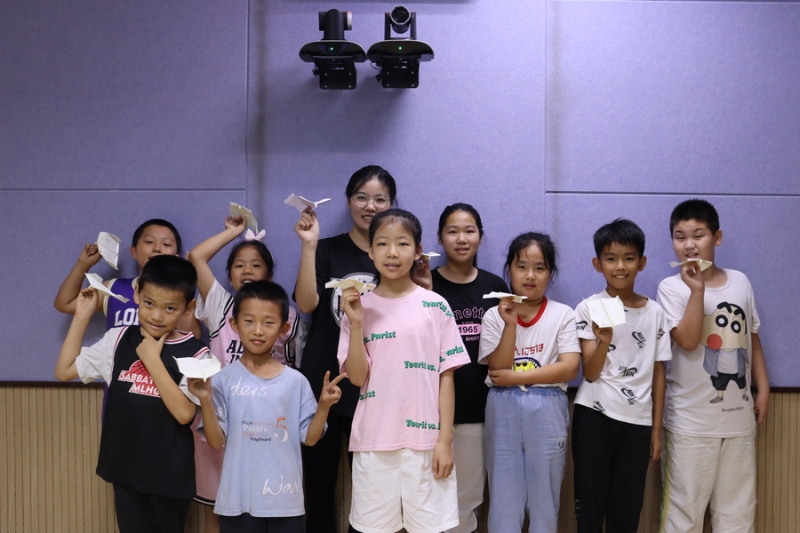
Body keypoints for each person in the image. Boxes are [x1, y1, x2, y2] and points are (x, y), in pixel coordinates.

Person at [54, 255, 211, 533]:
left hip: (168, 478)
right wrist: (82, 316)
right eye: (149, 303)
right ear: (137, 293)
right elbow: (64, 370)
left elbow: (185, 414)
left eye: (170, 308)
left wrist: (151, 359)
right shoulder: (118, 338)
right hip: (125, 471)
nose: (157, 316)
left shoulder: (197, 354)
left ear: (188, 308)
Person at [338, 208, 470, 533]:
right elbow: (357, 378)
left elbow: (446, 378)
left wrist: (444, 442)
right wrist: (357, 324)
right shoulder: (357, 309)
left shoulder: (435, 306)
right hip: (374, 440)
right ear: (370, 251)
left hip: (426, 443)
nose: (392, 252)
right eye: (382, 243)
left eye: (402, 243)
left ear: (418, 250)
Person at [189, 281, 344, 533]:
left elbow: (311, 438)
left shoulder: (296, 382)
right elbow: (216, 442)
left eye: (269, 322)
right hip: (237, 503)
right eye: (249, 321)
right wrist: (206, 399)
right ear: (234, 324)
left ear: (284, 328)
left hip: (285, 503)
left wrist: (324, 406)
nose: (258, 330)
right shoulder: (222, 380)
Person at [293, 165, 397, 532]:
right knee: (318, 484)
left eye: (380, 199)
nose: (370, 206)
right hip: (323, 381)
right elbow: (306, 304)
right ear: (349, 201)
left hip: (372, 382)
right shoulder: (327, 249)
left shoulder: (392, 256)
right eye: (361, 197)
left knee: (371, 488)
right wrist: (309, 246)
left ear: (391, 204)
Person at [187, 216, 307, 533]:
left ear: (270, 275)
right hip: (221, 418)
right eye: (239, 265)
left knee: (269, 508)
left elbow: (295, 369)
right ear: (229, 276)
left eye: (256, 265)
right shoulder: (220, 305)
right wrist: (233, 232)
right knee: (221, 506)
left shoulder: (287, 315)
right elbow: (196, 257)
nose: (247, 271)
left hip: (267, 427)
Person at [657, 199, 769, 533]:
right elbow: (688, 341)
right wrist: (697, 290)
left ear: (716, 238)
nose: (689, 244)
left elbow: (752, 337)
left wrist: (763, 388)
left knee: (738, 516)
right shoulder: (670, 288)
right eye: (680, 237)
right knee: (683, 517)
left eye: (698, 235)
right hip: (689, 425)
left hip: (738, 422)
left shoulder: (740, 281)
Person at [571, 219, 671, 533]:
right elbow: (589, 373)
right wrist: (604, 340)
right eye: (611, 259)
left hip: (638, 421)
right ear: (597, 264)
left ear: (642, 262)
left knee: (626, 512)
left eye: (629, 258)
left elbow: (659, 373)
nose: (620, 267)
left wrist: (656, 430)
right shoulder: (588, 307)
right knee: (590, 509)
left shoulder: (655, 312)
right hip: (593, 416)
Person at [478, 231, 581, 533]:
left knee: (544, 501)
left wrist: (516, 377)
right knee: (503, 498)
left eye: (540, 268)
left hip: (548, 407)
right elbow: (497, 368)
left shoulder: (563, 314)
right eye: (521, 266)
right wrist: (510, 324)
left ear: (551, 273)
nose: (530, 275)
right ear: (509, 269)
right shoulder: (494, 315)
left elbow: (569, 368)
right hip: (502, 406)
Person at [430, 203, 508, 533]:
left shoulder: (496, 287)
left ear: (480, 236)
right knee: (430, 498)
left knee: (467, 499)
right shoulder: (425, 284)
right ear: (440, 238)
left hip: (479, 409)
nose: (461, 239)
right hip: (431, 412)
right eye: (452, 231)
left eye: (469, 231)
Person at [54, 218, 198, 334]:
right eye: (149, 242)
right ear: (134, 251)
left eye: (166, 244)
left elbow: (192, 338)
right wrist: (82, 265)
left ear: (176, 256)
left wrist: (183, 277)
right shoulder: (114, 288)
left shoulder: (180, 296)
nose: (157, 248)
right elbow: (65, 304)